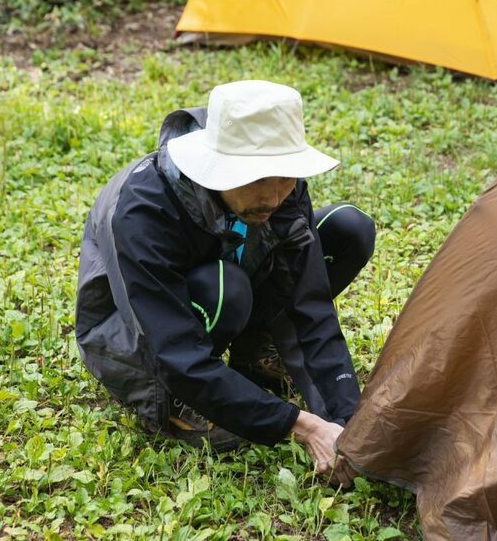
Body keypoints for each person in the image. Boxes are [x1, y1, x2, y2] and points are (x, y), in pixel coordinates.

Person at [74, 80, 374, 482]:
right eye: (255, 179)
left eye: (285, 178)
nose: (272, 197)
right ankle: (177, 406)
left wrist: (347, 422)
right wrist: (300, 424)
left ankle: (255, 355)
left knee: (346, 229)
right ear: (214, 169)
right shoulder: (143, 210)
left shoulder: (280, 191)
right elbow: (174, 352)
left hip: (229, 288)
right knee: (224, 289)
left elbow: (311, 308)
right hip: (135, 336)